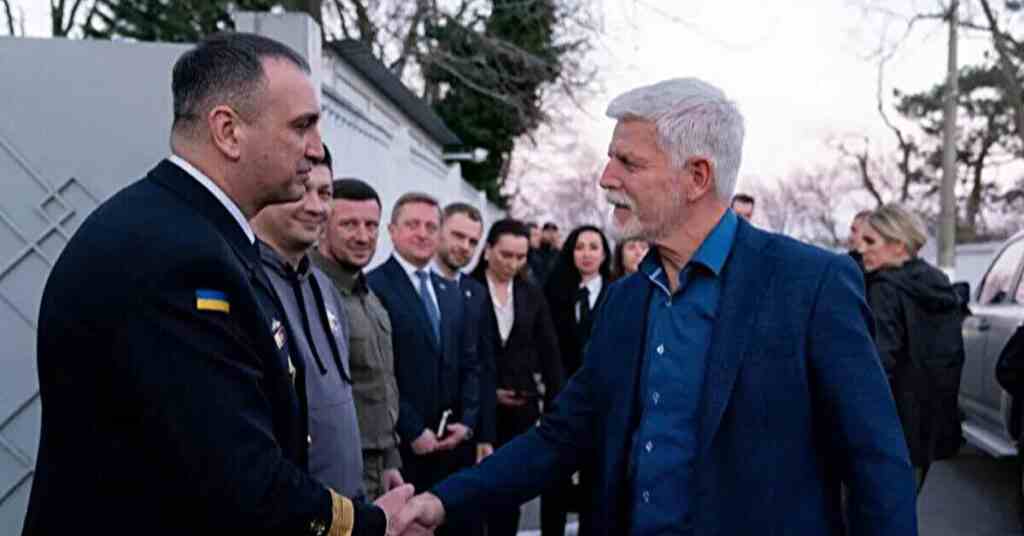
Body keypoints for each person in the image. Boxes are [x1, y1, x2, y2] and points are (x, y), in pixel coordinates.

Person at [393, 77, 917, 536]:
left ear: (697, 177)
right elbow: (562, 435)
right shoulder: (626, 300)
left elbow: (876, 463)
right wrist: (442, 502)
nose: (606, 178)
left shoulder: (811, 285)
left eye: (629, 162)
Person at [24, 33, 409, 536]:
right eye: (302, 126)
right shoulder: (176, 257)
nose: (316, 150)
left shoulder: (195, 233)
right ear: (228, 132)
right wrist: (370, 524)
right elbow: (238, 477)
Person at [251, 144, 366, 499]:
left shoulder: (326, 288)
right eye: (302, 190)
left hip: (347, 508)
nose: (316, 206)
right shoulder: (244, 284)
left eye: (325, 193)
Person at [366, 192, 480, 534]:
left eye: (431, 226)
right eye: (412, 224)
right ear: (392, 230)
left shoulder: (449, 288)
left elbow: (468, 360)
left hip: (452, 448)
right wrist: (413, 429)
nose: (422, 233)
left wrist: (467, 422)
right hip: (405, 452)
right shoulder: (373, 286)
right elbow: (378, 373)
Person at [859, 204, 966, 494]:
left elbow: (878, 362)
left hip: (888, 427)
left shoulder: (885, 288)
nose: (862, 249)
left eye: (870, 241)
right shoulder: (938, 285)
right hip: (928, 425)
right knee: (903, 506)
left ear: (898, 245)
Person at [468, 218, 564, 536]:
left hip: (521, 410)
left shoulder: (531, 293)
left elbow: (550, 353)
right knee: (470, 497)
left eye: (521, 257)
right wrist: (486, 393)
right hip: (476, 413)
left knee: (508, 497)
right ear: (487, 251)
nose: (512, 264)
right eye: (506, 255)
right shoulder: (467, 289)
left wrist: (555, 408)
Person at [311, 177, 405, 502]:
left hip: (378, 467)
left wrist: (390, 459)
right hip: (336, 471)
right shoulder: (310, 293)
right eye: (349, 224)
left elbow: (380, 382)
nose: (363, 236)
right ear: (322, 227)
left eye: (371, 225)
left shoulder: (369, 295)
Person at [542, 224, 614, 536]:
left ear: (604, 254)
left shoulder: (617, 292)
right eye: (579, 247)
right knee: (554, 476)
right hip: (561, 397)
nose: (586, 254)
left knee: (595, 481)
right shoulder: (554, 292)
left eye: (594, 247)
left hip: (603, 402)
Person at [433, 202, 495, 465]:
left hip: (463, 437)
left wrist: (481, 432)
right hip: (414, 439)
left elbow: (483, 365)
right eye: (458, 236)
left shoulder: (477, 292)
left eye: (473, 241)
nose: (465, 246)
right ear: (438, 231)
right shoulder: (414, 287)